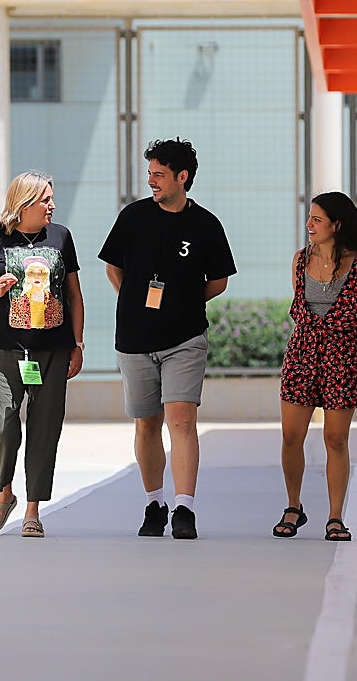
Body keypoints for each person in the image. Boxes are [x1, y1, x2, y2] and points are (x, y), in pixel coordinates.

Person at [99, 138, 236, 540]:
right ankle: (154, 503)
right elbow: (113, 269)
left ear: (182, 177)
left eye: (158, 174)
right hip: (135, 339)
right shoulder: (133, 217)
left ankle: (184, 508)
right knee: (146, 424)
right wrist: (137, 307)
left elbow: (219, 281)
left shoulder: (206, 224)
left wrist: (181, 303)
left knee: (182, 420)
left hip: (185, 338)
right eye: (150, 174)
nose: (151, 181)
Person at [0, 171, 84, 539]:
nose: (53, 206)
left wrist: (77, 344)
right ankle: (5, 490)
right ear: (25, 203)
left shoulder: (60, 237)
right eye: (46, 199)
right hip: (1, 349)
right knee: (2, 426)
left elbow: (74, 295)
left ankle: (33, 509)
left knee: (45, 429)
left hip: (52, 349)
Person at [274, 192, 357, 542]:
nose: (309, 224)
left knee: (335, 438)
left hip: (344, 358)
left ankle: (336, 517)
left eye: (317, 219)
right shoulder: (298, 261)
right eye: (310, 217)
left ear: (337, 224)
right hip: (302, 355)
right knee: (291, 436)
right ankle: (294, 506)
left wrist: (348, 339)